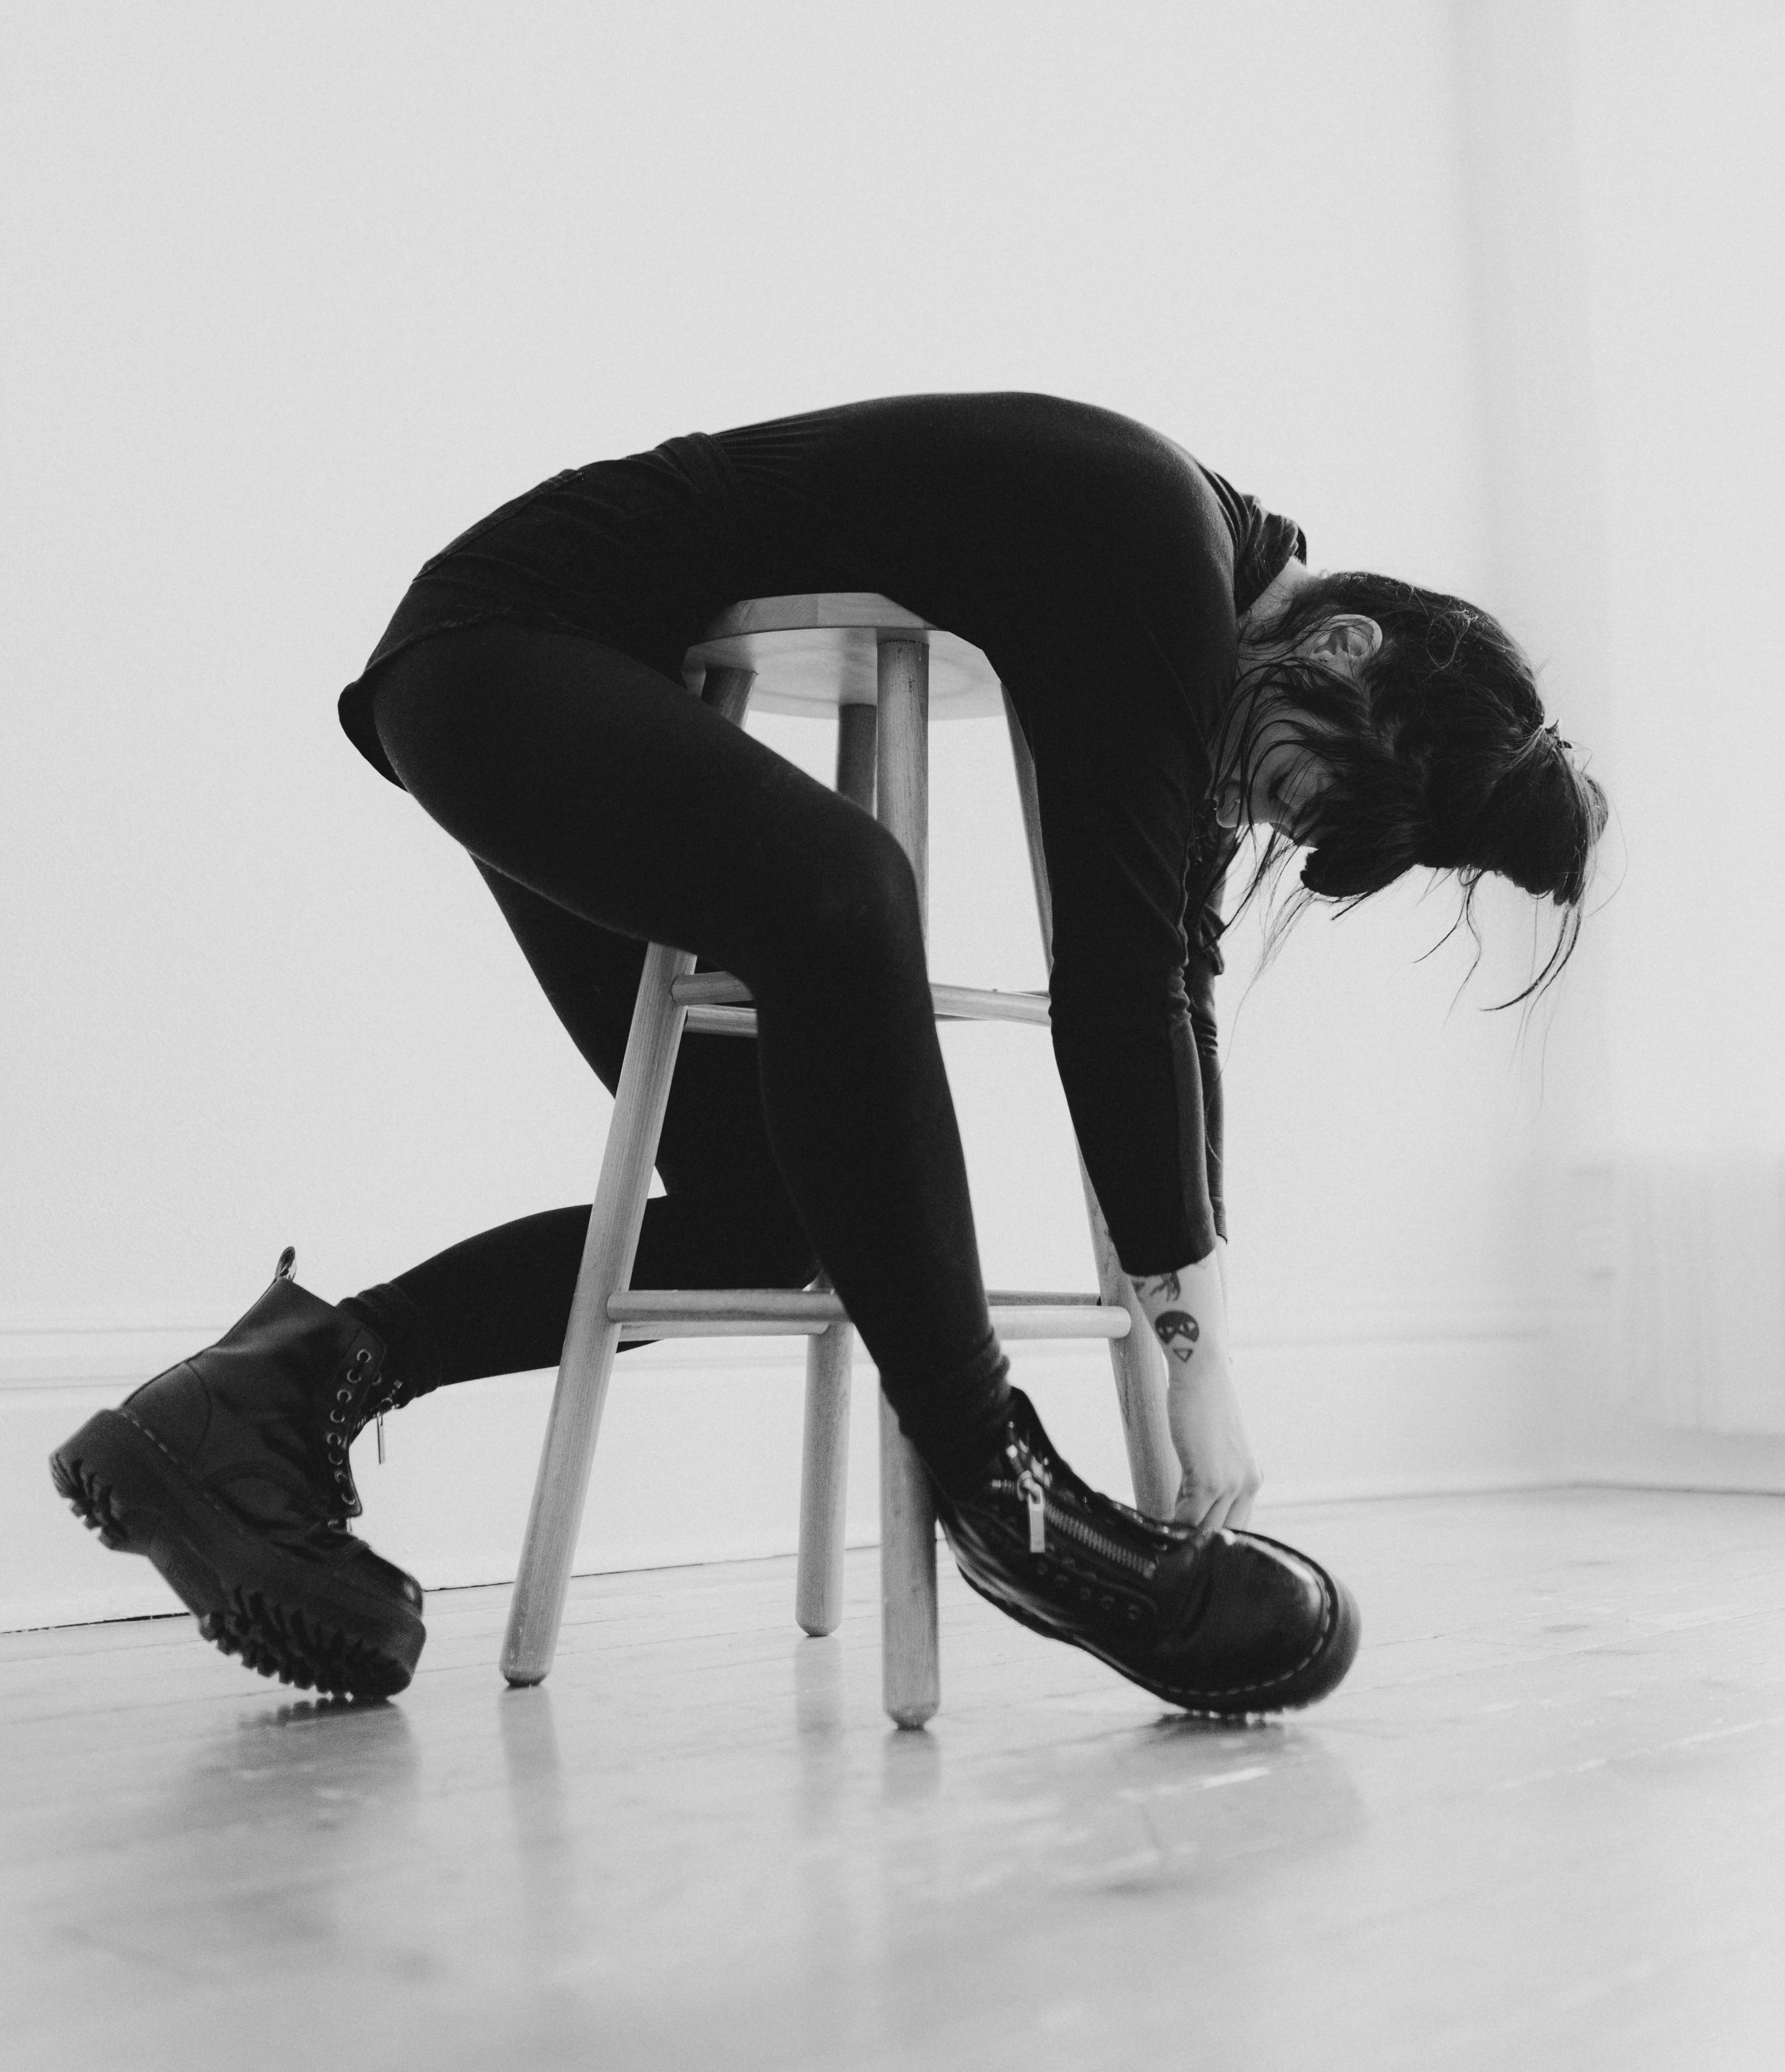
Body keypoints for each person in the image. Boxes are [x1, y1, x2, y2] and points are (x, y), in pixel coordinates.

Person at [51, 393, 1607, 1709]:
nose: (1279, 821)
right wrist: (1195, 1374)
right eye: (1313, 791)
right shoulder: (1155, 545)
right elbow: (1119, 993)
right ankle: (1006, 1501)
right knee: (845, 895)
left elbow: (1174, 991)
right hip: (509, 657)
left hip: (539, 690)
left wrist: (1200, 1324)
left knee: (781, 1214)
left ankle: (266, 1394)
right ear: (1342, 642)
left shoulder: (1195, 614)